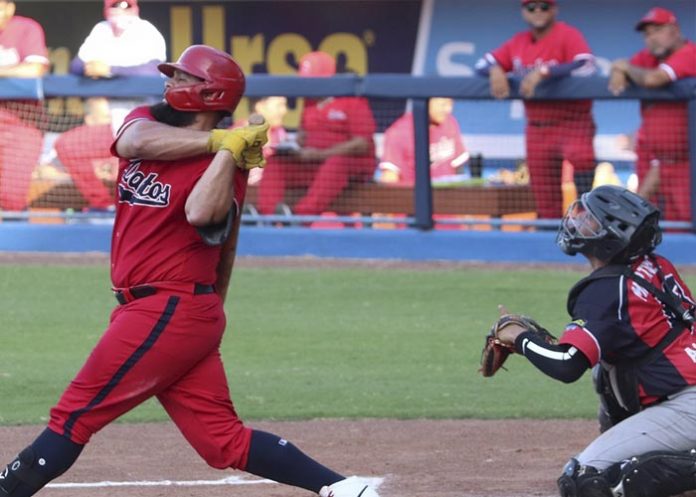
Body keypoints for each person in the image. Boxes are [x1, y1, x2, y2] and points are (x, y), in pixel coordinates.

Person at [0, 45, 380, 497]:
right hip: (161, 311)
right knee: (224, 443)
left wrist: (228, 153)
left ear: (209, 93)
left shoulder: (227, 163)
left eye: (182, 78)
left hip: (169, 305)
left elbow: (205, 217)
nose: (170, 83)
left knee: (74, 416)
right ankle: (347, 489)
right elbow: (131, 142)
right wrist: (221, 140)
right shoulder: (147, 120)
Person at [491, 185, 696, 497]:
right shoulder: (655, 265)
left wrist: (518, 337)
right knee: (607, 368)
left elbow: (567, 366)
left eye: (591, 221)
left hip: (687, 406)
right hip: (683, 395)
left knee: (585, 480)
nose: (579, 223)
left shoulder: (605, 290)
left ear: (610, 237)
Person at [475, 0, 596, 220]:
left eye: (544, 6)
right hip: (538, 127)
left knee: (583, 163)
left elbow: (586, 66)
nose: (538, 11)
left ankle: (587, 222)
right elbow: (480, 65)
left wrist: (545, 71)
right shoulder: (518, 42)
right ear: (524, 12)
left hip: (572, 121)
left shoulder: (567, 34)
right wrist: (496, 70)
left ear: (554, 10)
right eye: (531, 7)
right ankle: (547, 246)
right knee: (545, 201)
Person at [257, 51, 377, 216]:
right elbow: (303, 134)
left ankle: (300, 217)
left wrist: (321, 154)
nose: (307, 85)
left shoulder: (352, 98)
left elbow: (362, 144)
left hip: (351, 166)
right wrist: (296, 146)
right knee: (276, 163)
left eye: (311, 80)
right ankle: (268, 216)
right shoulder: (309, 101)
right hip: (315, 165)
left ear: (327, 78)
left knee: (336, 164)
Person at [608, 7, 696, 223]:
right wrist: (619, 70)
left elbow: (653, 79)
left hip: (687, 161)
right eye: (647, 34)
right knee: (650, 225)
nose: (652, 38)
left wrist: (625, 67)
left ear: (674, 29)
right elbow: (619, 67)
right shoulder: (646, 58)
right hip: (657, 159)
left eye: (657, 30)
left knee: (688, 225)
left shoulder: (690, 53)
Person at [70, 0, 167, 127]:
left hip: (141, 103)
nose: (122, 10)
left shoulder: (146, 30)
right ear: (107, 8)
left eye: (127, 5)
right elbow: (75, 66)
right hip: (107, 106)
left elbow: (153, 71)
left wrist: (109, 70)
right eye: (116, 5)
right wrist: (88, 68)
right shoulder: (101, 29)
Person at [0, 0, 48, 212]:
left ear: (9, 7)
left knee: (11, 197)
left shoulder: (27, 28)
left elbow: (35, 69)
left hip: (22, 124)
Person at [375, 97, 469, 186]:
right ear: (427, 102)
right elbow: (390, 177)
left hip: (447, 196)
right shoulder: (398, 132)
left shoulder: (450, 123)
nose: (448, 110)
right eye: (443, 105)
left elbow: (458, 168)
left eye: (450, 104)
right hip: (413, 198)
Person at [54, 97, 118, 210]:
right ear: (90, 120)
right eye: (106, 117)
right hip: (95, 210)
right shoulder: (70, 143)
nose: (110, 123)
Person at [234, 95, 290, 187]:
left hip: (272, 191)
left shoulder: (279, 132)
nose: (284, 110)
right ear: (259, 106)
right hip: (244, 192)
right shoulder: (238, 133)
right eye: (279, 105)